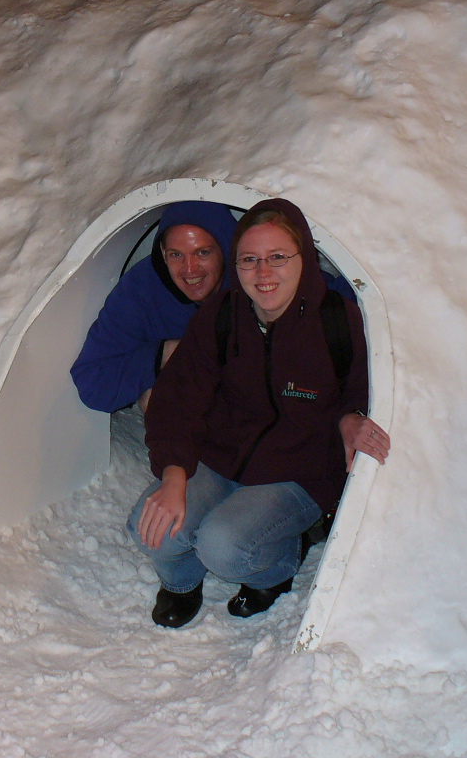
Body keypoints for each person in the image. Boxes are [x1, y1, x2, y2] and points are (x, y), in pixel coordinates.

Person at [128, 198, 390, 628]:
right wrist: (174, 474)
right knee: (151, 526)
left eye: (278, 257)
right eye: (249, 259)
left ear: (304, 257)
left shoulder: (336, 321)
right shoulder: (222, 315)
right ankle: (181, 581)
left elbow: (363, 388)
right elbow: (179, 397)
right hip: (220, 457)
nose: (263, 273)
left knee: (224, 546)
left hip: (297, 471)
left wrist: (351, 415)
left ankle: (278, 565)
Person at [71, 201, 238, 414]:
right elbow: (92, 383)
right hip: (193, 417)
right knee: (160, 398)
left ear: (225, 249)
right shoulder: (143, 289)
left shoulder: (252, 282)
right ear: (163, 252)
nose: (189, 269)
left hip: (252, 409)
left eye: (202, 253)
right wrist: (165, 354)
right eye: (176, 254)